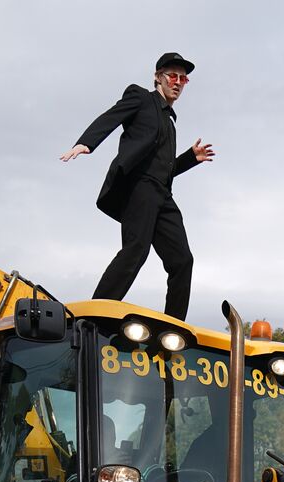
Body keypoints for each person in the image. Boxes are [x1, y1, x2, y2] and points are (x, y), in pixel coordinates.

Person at [62, 53, 215, 320]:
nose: (178, 83)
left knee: (182, 261)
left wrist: (190, 158)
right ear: (158, 77)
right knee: (137, 250)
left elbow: (165, 170)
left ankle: (174, 325)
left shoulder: (170, 121)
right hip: (139, 187)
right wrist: (86, 143)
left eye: (184, 79)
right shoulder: (141, 98)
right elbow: (111, 117)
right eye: (173, 76)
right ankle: (94, 314)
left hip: (163, 195)